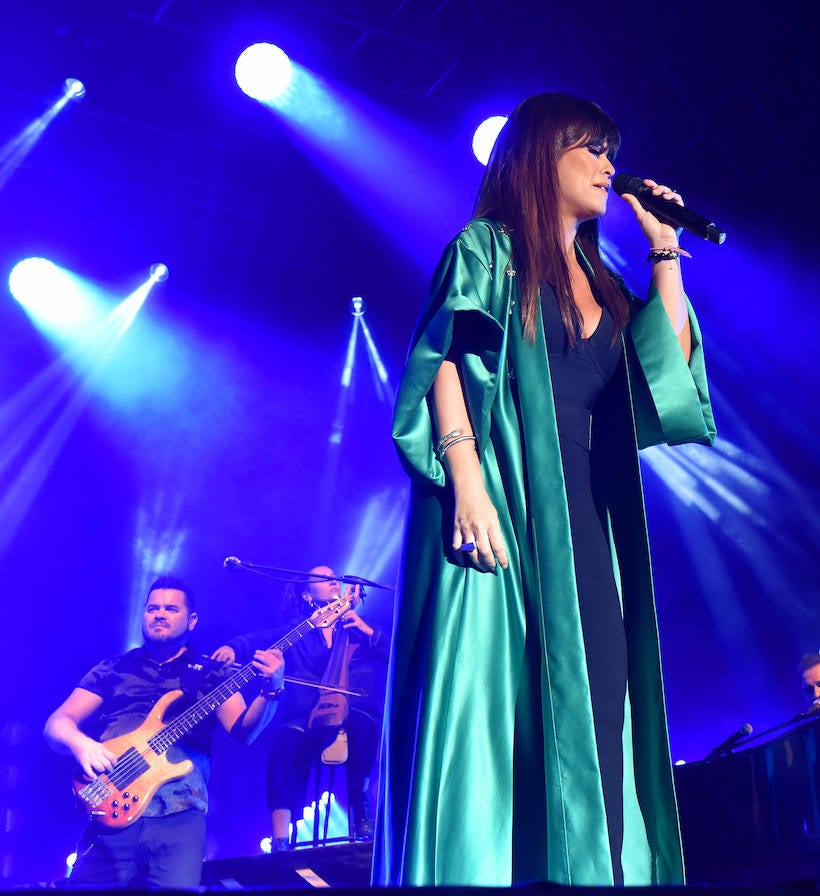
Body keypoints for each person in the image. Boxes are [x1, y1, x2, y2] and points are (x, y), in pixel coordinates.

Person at [375, 92, 714, 887]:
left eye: (610, 149)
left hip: (588, 522)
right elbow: (446, 362)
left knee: (598, 700)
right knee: (493, 712)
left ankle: (586, 871)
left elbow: (662, 386)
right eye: (589, 147)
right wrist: (465, 480)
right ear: (537, 156)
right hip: (504, 501)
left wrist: (664, 250)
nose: (608, 164)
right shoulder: (486, 250)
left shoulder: (603, 279)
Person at [44, 575, 284, 889]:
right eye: (152, 608)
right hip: (110, 808)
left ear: (192, 620)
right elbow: (56, 724)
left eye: (171, 609)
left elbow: (243, 732)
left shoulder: (213, 672)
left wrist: (271, 692)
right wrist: (80, 744)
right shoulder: (113, 668)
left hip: (180, 813)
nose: (159, 614)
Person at [212, 565, 386, 851]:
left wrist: (368, 632)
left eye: (335, 579)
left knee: (363, 727)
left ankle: (361, 803)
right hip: (306, 715)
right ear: (307, 597)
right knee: (285, 745)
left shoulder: (359, 626)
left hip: (354, 708)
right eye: (324, 579)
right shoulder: (299, 631)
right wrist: (233, 648)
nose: (334, 583)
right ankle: (281, 838)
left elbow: (397, 654)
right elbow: (259, 640)